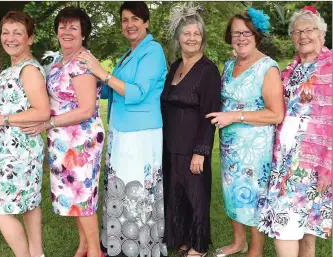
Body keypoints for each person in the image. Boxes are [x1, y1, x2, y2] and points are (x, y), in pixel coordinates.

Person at [76, 2, 167, 257]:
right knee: (120, 187)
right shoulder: (128, 54)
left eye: (135, 19)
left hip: (139, 133)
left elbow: (137, 93)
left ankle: (138, 248)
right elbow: (107, 90)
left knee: (135, 190)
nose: (130, 24)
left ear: (146, 22)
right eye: (125, 20)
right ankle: (118, 244)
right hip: (120, 130)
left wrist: (102, 73)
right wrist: (86, 75)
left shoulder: (153, 51)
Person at [21, 6, 105, 257]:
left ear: (83, 34)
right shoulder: (59, 61)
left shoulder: (82, 62)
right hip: (62, 141)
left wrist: (49, 124)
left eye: (73, 27)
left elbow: (87, 109)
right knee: (75, 200)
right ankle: (83, 245)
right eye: (62, 26)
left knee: (84, 201)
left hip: (81, 141)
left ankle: (95, 251)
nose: (66, 31)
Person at [206, 8, 284, 257]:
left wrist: (235, 116)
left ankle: (256, 250)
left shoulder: (267, 68)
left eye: (246, 33)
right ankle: (238, 242)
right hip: (230, 146)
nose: (240, 38)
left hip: (255, 149)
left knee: (253, 198)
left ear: (257, 35)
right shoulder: (230, 65)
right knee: (232, 194)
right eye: (235, 33)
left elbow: (275, 114)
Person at [257, 6, 332, 257]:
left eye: (309, 30)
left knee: (287, 225)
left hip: (312, 162)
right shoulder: (292, 70)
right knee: (303, 230)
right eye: (297, 31)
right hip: (285, 158)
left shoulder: (331, 68)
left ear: (321, 34)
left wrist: (328, 165)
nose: (303, 36)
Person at [161, 3, 221, 257]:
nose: (192, 38)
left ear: (203, 38)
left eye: (197, 34)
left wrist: (201, 151)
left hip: (192, 145)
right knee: (176, 195)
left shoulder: (208, 71)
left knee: (196, 196)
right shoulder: (175, 67)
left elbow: (210, 115)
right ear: (178, 38)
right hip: (170, 143)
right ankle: (183, 237)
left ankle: (199, 246)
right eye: (186, 33)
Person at [0, 11, 50, 257]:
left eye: (18, 33)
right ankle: (37, 255)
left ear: (30, 38)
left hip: (18, 153)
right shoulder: (11, 68)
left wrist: (1, 119)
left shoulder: (28, 70)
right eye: (6, 32)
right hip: (13, 150)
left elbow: (43, 111)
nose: (10, 38)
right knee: (29, 204)